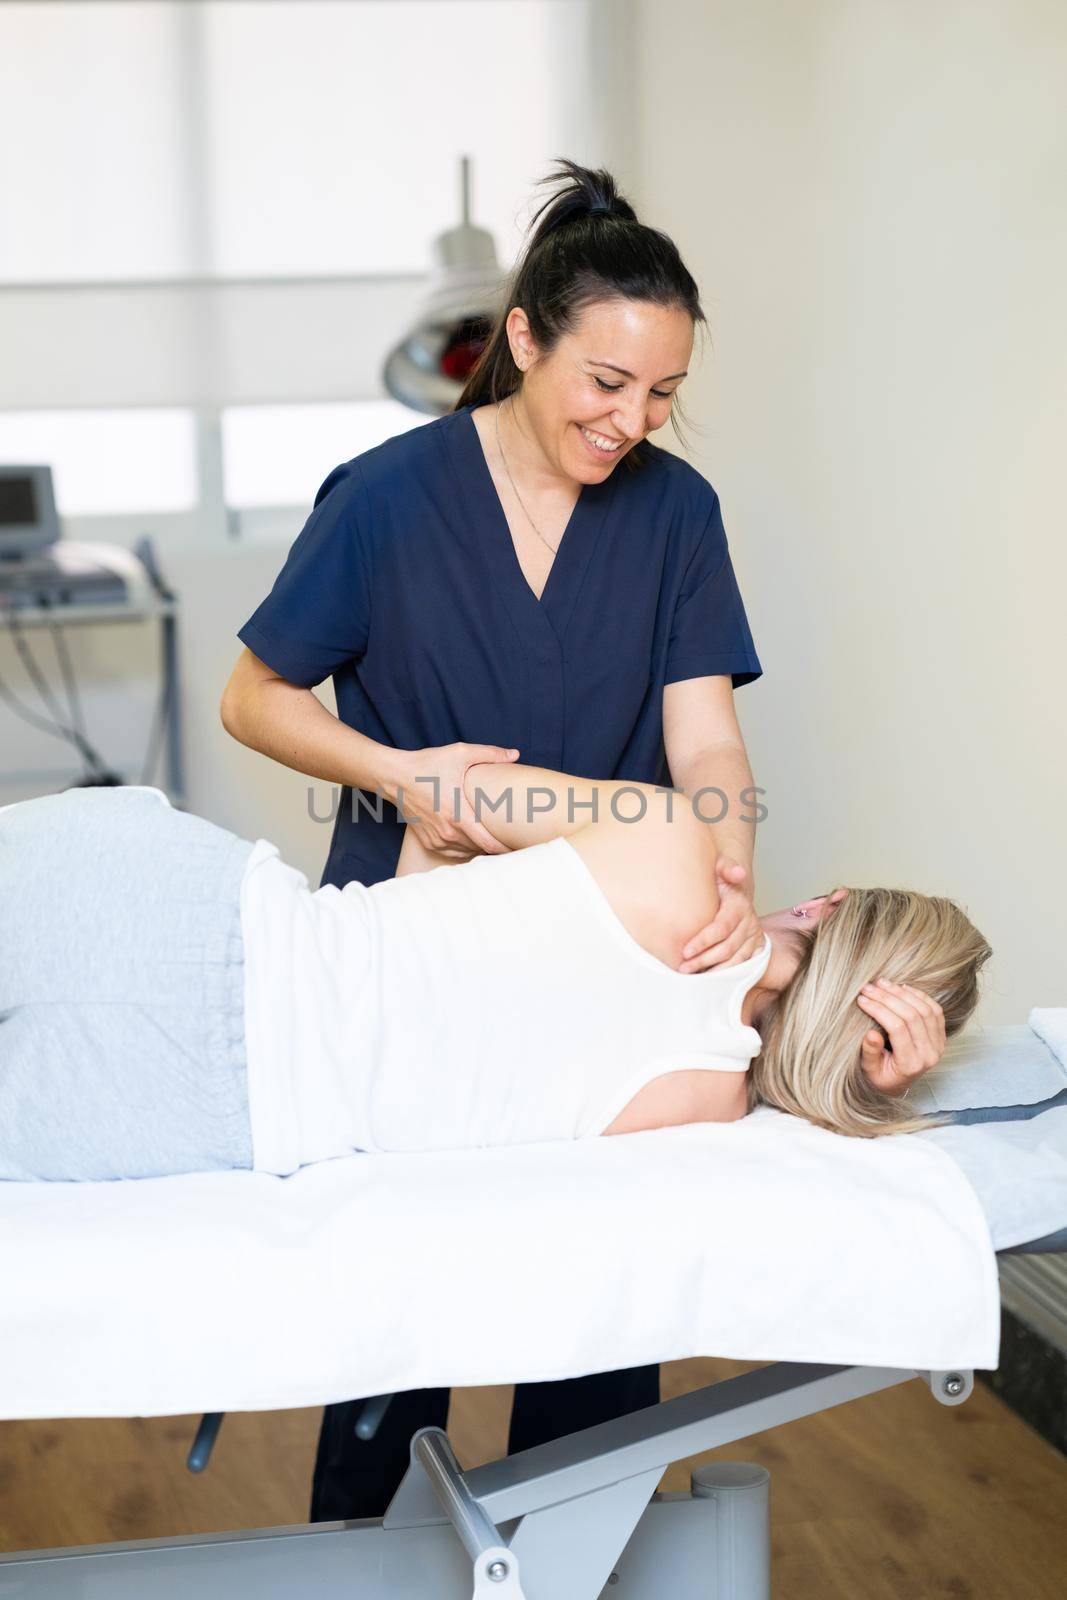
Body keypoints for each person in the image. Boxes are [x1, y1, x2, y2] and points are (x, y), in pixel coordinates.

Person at [215, 154, 893, 1516]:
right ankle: (356, 1547)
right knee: (396, 1334)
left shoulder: (674, 515)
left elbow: (700, 739)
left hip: (603, 974)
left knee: (590, 1332)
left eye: (660, 394)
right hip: (413, 940)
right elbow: (254, 696)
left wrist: (723, 872)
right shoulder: (389, 496)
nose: (630, 421)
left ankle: (564, 1542)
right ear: (519, 340)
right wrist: (398, 774)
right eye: (602, 384)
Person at [0, 773, 977, 1192]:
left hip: (205, 913)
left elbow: (450, 807)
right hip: (215, 1110)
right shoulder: (708, 1103)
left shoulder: (671, 838)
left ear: (830, 900)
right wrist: (863, 1094)